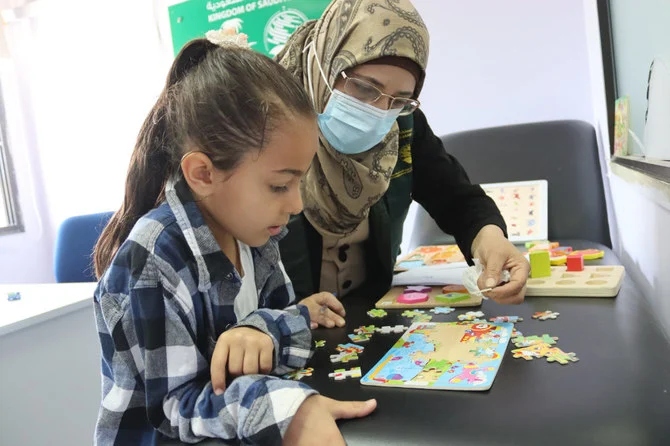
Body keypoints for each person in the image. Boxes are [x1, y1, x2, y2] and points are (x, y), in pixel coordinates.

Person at [91, 32, 374, 446]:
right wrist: (290, 408)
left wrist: (263, 328)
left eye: (300, 181)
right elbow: (178, 412)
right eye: (280, 186)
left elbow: (285, 322)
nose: (296, 204)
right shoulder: (153, 263)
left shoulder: (257, 232)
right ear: (203, 174)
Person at [275, 0, 530, 312]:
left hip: (366, 316)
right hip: (280, 331)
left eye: (400, 100)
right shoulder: (265, 121)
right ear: (325, 65)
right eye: (365, 89)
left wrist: (489, 240)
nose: (380, 113)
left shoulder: (401, 125)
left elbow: (457, 199)